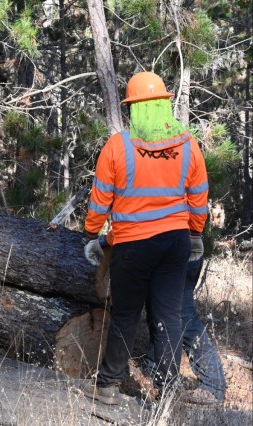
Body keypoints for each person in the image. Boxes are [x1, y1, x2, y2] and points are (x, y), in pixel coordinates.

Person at [80, 71, 209, 405]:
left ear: (134, 109)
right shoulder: (187, 143)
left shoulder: (118, 146)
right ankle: (168, 390)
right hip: (174, 243)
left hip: (133, 246)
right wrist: (195, 233)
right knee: (168, 316)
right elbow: (199, 197)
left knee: (125, 315)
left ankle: (107, 387)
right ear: (164, 104)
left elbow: (100, 200)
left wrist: (92, 233)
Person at [142, 253, 227, 404]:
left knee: (184, 317)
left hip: (179, 251)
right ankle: (153, 369)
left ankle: (213, 385)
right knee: (158, 313)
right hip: (175, 247)